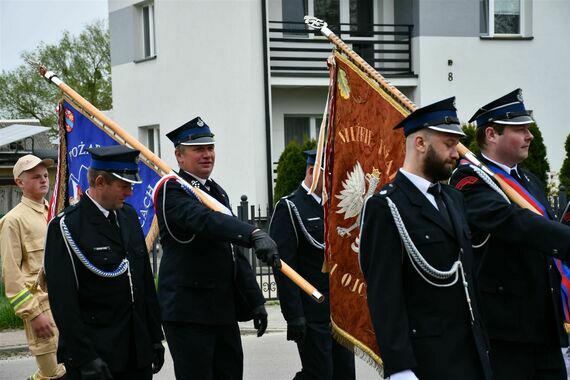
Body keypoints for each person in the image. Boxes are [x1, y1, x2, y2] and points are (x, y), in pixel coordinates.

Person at [359, 98, 492, 380]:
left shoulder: (453, 198)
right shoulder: (386, 206)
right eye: (448, 144)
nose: (457, 153)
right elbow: (384, 295)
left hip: (471, 356)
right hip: (428, 362)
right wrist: (399, 368)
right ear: (420, 143)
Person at [450, 89, 570, 379]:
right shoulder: (468, 179)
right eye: (520, 129)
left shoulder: (530, 180)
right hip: (507, 332)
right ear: (491, 134)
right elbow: (514, 222)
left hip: (548, 327)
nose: (530, 135)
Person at [155, 116, 281, 380]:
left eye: (210, 148)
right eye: (198, 149)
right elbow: (205, 221)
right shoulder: (172, 190)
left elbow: (231, 254)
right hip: (188, 313)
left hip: (221, 311)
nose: (207, 155)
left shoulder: (216, 192)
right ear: (179, 155)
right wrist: (254, 232)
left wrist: (255, 300)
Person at [44, 145, 164, 380]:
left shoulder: (128, 216)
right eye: (124, 185)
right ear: (100, 182)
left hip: (137, 351)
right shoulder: (67, 227)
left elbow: (143, 282)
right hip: (97, 353)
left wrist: (154, 337)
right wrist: (84, 357)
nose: (130, 192)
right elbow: (63, 302)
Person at [269, 149, 356, 380]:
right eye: (331, 173)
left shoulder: (337, 207)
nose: (336, 179)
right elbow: (284, 268)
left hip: (339, 313)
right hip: (312, 311)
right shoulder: (290, 207)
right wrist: (293, 315)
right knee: (319, 374)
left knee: (345, 374)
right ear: (312, 171)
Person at [0, 155, 66, 380]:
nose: (44, 180)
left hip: (64, 304)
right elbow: (11, 275)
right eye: (36, 177)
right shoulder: (13, 220)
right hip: (40, 308)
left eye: (46, 176)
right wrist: (33, 314)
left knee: (68, 370)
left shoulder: (55, 212)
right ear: (20, 182)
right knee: (52, 374)